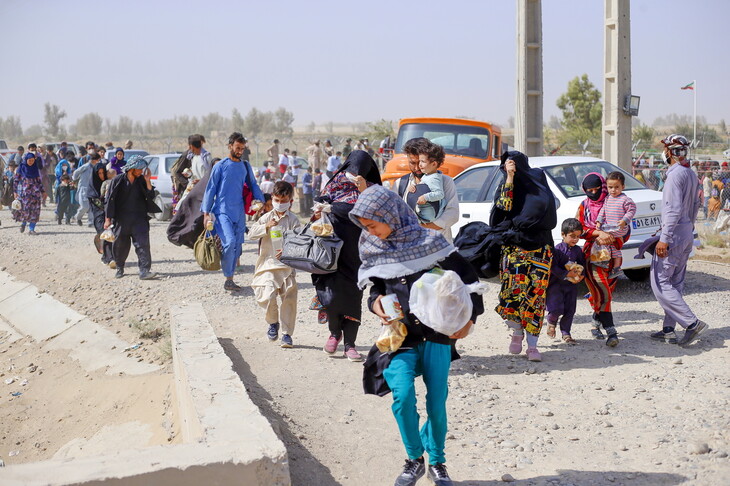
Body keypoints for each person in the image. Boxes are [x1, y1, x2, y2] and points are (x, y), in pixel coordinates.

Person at [352, 184, 483, 486]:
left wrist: (470, 319)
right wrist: (375, 304)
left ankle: (437, 461)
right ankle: (415, 459)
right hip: (400, 338)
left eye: (373, 224)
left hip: (437, 336)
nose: (370, 231)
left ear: (390, 215)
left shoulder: (431, 242)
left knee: (436, 403)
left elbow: (470, 281)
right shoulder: (375, 247)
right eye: (365, 227)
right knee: (402, 396)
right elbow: (376, 287)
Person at [311, 150, 381, 362]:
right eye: (352, 169)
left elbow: (368, 210)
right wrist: (320, 205)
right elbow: (322, 199)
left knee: (353, 297)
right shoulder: (336, 182)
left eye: (360, 171)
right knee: (331, 295)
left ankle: (350, 343)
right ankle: (334, 334)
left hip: (358, 253)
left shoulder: (373, 190)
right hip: (331, 251)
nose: (354, 174)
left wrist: (335, 207)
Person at [493, 151, 557, 361]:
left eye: (511, 166)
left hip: (540, 250)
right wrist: (509, 178)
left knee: (535, 298)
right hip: (514, 250)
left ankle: (532, 345)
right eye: (505, 168)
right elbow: (503, 208)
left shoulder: (538, 181)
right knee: (511, 294)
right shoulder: (505, 185)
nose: (507, 170)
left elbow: (547, 209)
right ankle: (517, 332)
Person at [649, 134, 708, 346]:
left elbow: (672, 209)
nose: (663, 153)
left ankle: (692, 324)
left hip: (673, 235)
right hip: (685, 233)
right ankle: (668, 329)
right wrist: (688, 230)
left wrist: (664, 238)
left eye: (665, 149)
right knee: (675, 282)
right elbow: (694, 206)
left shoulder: (675, 176)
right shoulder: (690, 174)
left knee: (660, 283)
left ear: (669, 152)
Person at [201, 132, 264, 291]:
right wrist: (206, 213)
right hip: (222, 212)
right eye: (237, 148)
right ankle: (226, 267)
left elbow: (253, 185)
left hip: (239, 212)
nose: (240, 151)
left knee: (236, 246)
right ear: (230, 146)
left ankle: (229, 279)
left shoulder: (245, 166)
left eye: (242, 148)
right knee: (229, 243)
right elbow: (211, 189)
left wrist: (261, 200)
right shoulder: (220, 166)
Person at [248, 181, 302, 348]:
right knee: (267, 294)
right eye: (277, 200)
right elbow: (251, 234)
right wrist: (266, 226)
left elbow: (300, 241)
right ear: (272, 198)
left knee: (289, 299)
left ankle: (286, 334)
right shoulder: (266, 217)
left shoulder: (293, 220)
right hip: (268, 264)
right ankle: (273, 323)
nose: (280, 203)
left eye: (284, 200)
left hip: (286, 266)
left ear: (290, 200)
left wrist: (288, 248)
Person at [576, 173, 624, 347]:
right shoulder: (583, 206)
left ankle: (596, 321)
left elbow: (625, 229)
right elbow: (578, 229)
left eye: (598, 189)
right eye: (590, 190)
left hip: (613, 255)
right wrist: (597, 234)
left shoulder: (613, 202)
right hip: (592, 257)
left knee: (606, 292)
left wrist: (611, 237)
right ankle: (612, 332)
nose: (594, 193)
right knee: (603, 291)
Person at [104, 156, 159, 280]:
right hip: (121, 219)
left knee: (143, 245)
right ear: (131, 169)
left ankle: (144, 271)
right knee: (120, 246)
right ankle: (120, 267)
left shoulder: (141, 180)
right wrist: (108, 219)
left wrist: (148, 180)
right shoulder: (117, 180)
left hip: (139, 218)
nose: (141, 171)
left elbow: (151, 195)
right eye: (139, 169)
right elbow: (109, 200)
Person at [398, 138, 460, 242]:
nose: (418, 167)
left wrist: (422, 228)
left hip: (439, 248)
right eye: (413, 163)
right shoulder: (400, 183)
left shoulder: (445, 182)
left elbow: (452, 214)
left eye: (421, 162)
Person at [545, 218, 585, 344]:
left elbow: (583, 264)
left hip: (571, 285)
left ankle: (566, 333)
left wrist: (582, 275)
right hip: (556, 285)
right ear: (563, 234)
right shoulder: (557, 250)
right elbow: (553, 267)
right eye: (572, 236)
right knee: (556, 308)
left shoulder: (578, 250)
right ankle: (551, 322)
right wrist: (566, 273)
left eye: (578, 237)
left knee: (570, 310)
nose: (575, 239)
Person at [594, 171, 637, 279]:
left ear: (623, 186)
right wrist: (599, 220)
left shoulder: (625, 199)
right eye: (610, 187)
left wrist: (624, 221)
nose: (613, 190)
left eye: (616, 187)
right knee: (614, 248)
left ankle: (606, 261)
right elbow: (603, 210)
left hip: (619, 229)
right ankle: (616, 268)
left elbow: (632, 210)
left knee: (604, 242)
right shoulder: (608, 198)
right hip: (609, 228)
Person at [86, 153, 113, 266]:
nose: (102, 176)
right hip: (99, 216)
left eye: (103, 173)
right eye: (99, 173)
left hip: (109, 214)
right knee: (105, 234)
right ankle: (109, 258)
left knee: (110, 236)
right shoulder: (92, 189)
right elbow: (97, 204)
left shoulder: (109, 184)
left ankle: (109, 258)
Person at [13, 152, 46, 234]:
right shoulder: (21, 167)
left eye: (32, 160)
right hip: (25, 195)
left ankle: (31, 229)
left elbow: (39, 181)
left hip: (36, 194)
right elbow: (16, 180)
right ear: (26, 160)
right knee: (25, 210)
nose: (31, 162)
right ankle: (23, 223)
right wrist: (15, 191)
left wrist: (43, 191)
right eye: (29, 160)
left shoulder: (35, 168)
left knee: (35, 211)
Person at [413, 147, 446, 224]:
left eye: (423, 161)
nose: (419, 164)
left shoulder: (433, 178)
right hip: (424, 212)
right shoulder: (428, 175)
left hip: (428, 215)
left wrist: (425, 197)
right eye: (420, 161)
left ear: (434, 164)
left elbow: (439, 194)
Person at [72, 145, 98, 226]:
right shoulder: (86, 166)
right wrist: (74, 179)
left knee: (91, 206)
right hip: (83, 188)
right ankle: (78, 217)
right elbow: (76, 172)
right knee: (84, 206)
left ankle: (90, 222)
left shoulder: (96, 167)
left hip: (92, 189)